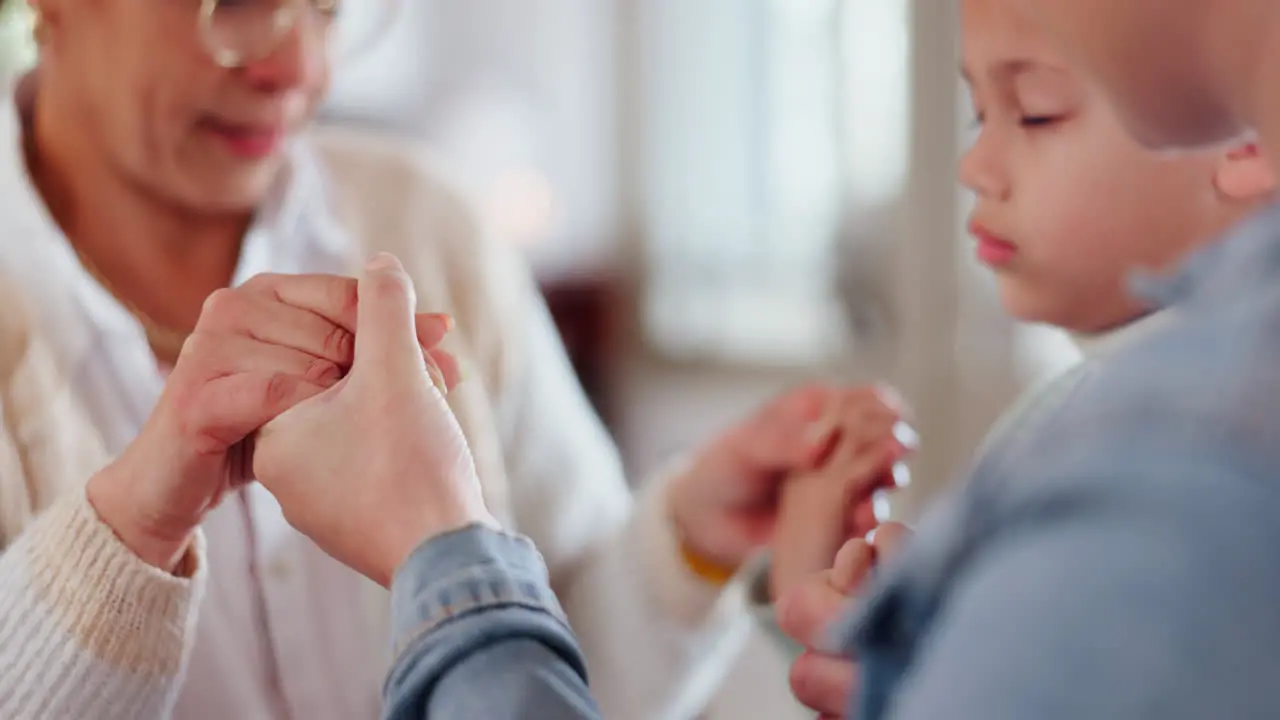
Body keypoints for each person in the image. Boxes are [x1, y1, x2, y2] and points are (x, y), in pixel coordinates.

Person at [316, 0, 1280, 715]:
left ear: (1241, 145)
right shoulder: (1107, 427)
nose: (970, 166)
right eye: (979, 114)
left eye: (1030, 111)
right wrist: (850, 616)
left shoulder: (1175, 452)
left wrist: (437, 556)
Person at [0, 1, 903, 719]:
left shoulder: (427, 224)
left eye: (327, 5)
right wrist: (135, 522)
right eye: (232, 2)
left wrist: (689, 539)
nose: (300, 67)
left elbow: (537, 674)